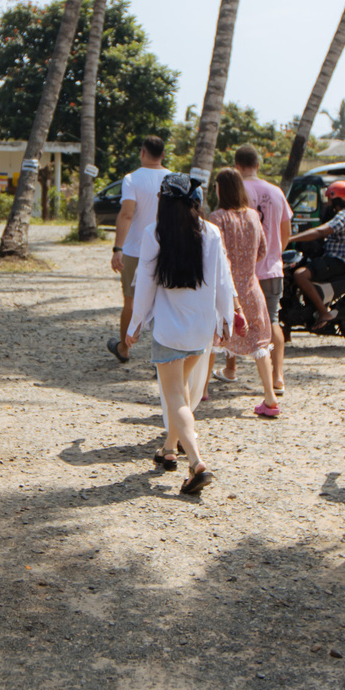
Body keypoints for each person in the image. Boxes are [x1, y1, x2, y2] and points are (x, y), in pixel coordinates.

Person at [126, 177, 237, 494]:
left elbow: (146, 287)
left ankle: (197, 463)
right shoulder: (211, 232)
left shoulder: (155, 234)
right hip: (200, 331)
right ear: (195, 203)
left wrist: (135, 325)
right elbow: (222, 279)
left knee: (174, 396)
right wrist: (225, 317)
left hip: (169, 331)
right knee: (184, 395)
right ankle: (169, 449)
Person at [209, 167, 281, 417]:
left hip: (225, 289)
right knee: (259, 342)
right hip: (251, 287)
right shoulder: (253, 216)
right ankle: (270, 398)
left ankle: (203, 389)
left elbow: (212, 255)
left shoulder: (216, 218)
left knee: (213, 337)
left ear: (221, 188)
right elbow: (262, 250)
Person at [230, 146, 291, 388]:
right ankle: (278, 376)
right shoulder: (276, 192)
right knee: (273, 319)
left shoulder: (236, 190)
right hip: (273, 268)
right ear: (259, 164)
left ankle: (231, 368)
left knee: (234, 316)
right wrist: (274, 253)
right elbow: (285, 231)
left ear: (236, 165)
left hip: (242, 271)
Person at [108, 136, 170, 363]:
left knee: (130, 302)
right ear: (163, 155)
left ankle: (124, 348)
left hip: (136, 248)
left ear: (143, 152)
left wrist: (118, 248)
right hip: (165, 248)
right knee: (164, 303)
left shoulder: (131, 179)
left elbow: (126, 214)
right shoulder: (173, 179)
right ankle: (162, 356)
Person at [286, 181, 345, 319]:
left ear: (337, 199)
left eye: (330, 199)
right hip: (332, 259)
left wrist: (291, 239)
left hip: (337, 261)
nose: (328, 203)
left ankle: (324, 313)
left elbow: (320, 231)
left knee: (300, 275)